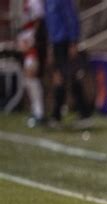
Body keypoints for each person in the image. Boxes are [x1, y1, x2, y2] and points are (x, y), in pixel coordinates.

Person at [44, 0, 93, 128]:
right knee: (65, 77)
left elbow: (71, 17)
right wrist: (50, 46)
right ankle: (81, 114)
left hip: (65, 42)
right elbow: (51, 23)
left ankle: (59, 116)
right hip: (56, 43)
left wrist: (73, 41)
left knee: (65, 77)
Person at [17, 0, 48, 128]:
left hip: (33, 47)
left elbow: (38, 21)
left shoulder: (35, 2)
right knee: (29, 79)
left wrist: (32, 40)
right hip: (27, 44)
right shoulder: (28, 3)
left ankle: (39, 113)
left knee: (32, 76)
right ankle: (36, 111)